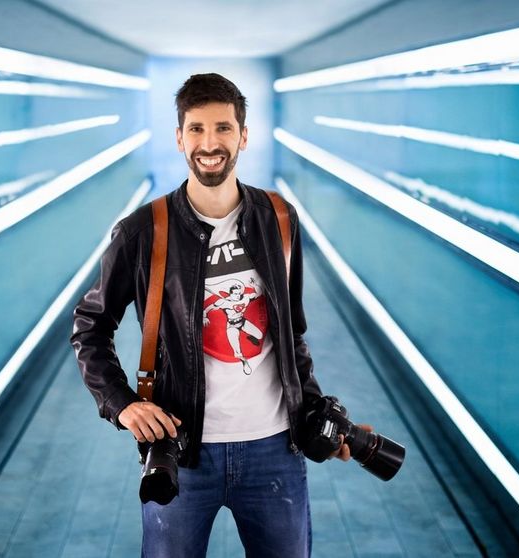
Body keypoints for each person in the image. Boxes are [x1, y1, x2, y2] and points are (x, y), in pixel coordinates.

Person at [71, 73, 350, 558]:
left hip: (274, 450)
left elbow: (292, 332)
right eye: (196, 129)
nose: (210, 143)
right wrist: (122, 404)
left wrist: (314, 411)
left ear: (244, 135)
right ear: (179, 138)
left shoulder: (279, 218)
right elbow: (90, 326)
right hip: (182, 452)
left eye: (222, 128)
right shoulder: (143, 232)